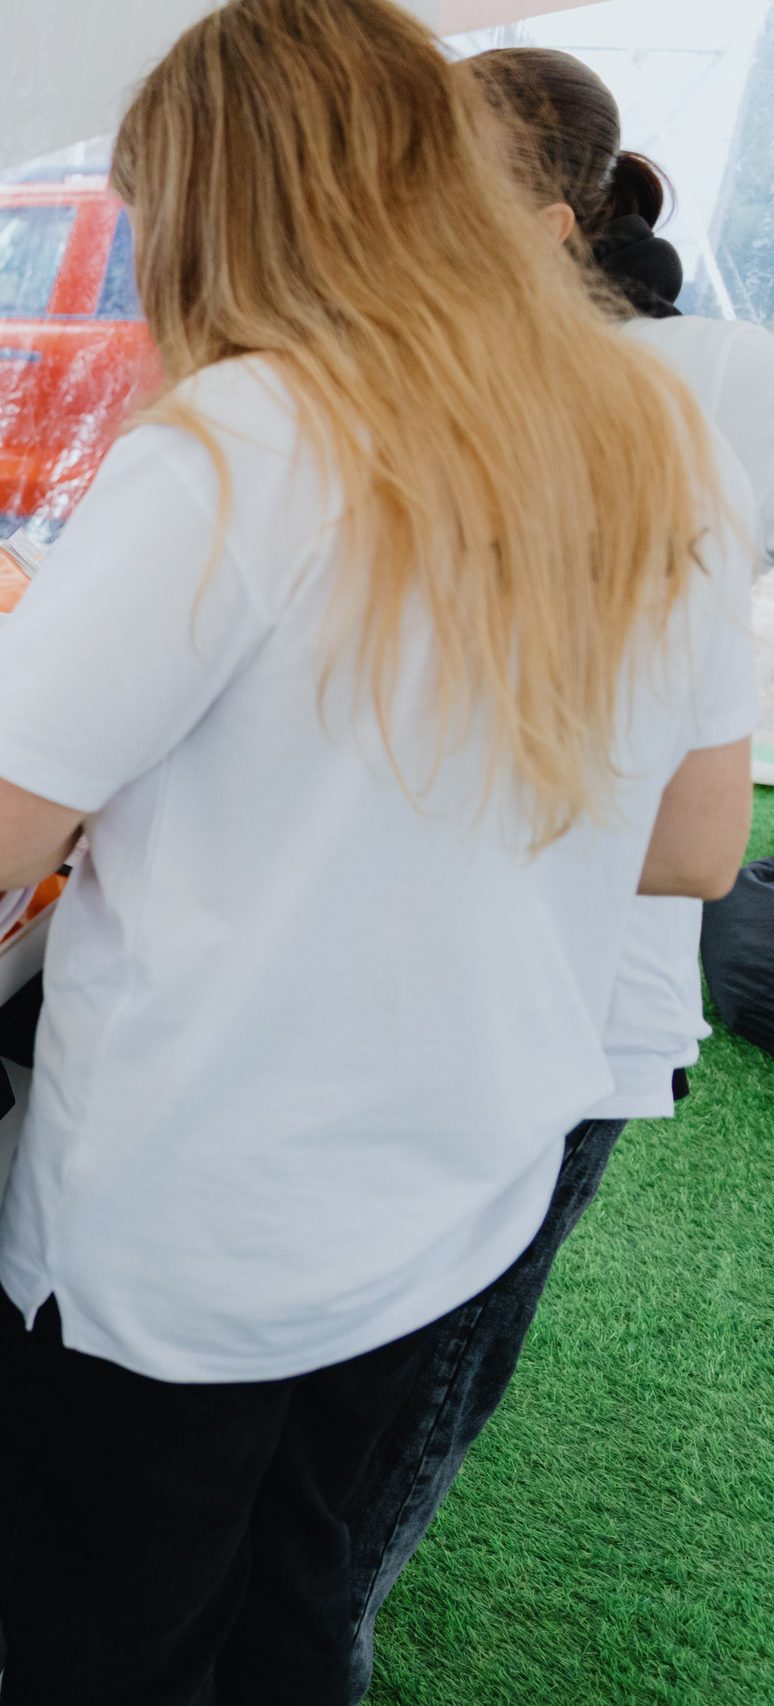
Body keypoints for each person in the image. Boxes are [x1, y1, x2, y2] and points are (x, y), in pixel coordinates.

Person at [0, 2, 758, 1699]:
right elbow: (690, 847)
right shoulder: (654, 434)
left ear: (219, 205)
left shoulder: (245, 441)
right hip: (454, 1191)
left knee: (110, 1651)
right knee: (298, 1623)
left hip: (193, 1234)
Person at [331, 47, 774, 1694]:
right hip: (439, 997)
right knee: (364, 1420)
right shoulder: (419, 381)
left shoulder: (706, 382)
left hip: (568, 1013)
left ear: (533, 206)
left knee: (397, 1437)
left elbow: (694, 840)